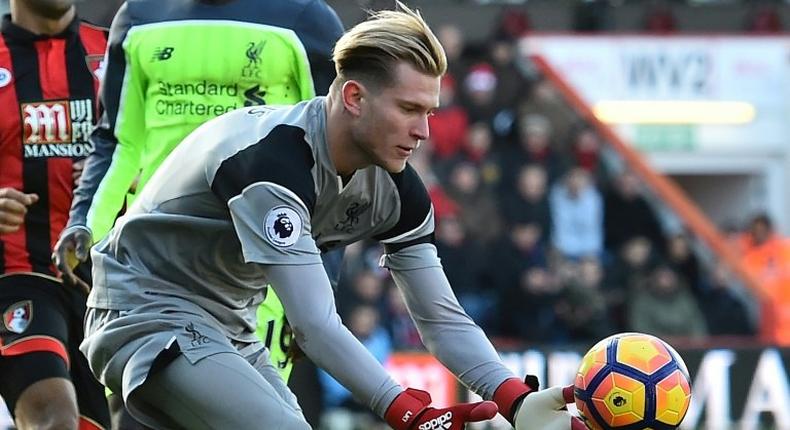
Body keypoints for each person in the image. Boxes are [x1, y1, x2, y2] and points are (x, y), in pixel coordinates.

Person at [76, 3, 585, 429]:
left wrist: (515, 399)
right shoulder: (271, 162)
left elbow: (440, 317)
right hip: (144, 313)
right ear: (354, 97)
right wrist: (403, 409)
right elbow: (315, 325)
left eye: (430, 112)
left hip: (230, 326)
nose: (425, 130)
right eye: (409, 108)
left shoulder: (398, 187)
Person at [51, 0, 344, 426]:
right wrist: (85, 225)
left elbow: (332, 163)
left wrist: (321, 290)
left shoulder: (306, 20)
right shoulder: (138, 17)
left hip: (260, 276)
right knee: (145, 417)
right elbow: (117, 142)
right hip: (146, 272)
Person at [0, 1, 110, 429]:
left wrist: (130, 178)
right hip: (18, 273)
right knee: (53, 415)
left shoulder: (114, 51)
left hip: (113, 281)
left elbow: (160, 155)